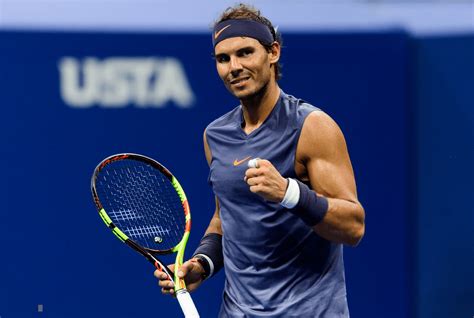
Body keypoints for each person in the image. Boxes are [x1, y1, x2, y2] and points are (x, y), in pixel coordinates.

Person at [155, 4, 365, 317]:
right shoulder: (215, 135)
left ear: (273, 52)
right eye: (223, 59)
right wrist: (201, 265)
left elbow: (352, 226)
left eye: (245, 53)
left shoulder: (313, 127)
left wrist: (288, 192)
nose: (234, 67)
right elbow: (226, 216)